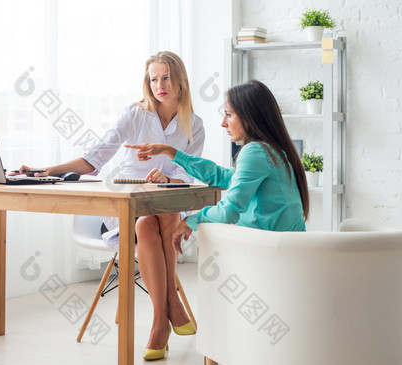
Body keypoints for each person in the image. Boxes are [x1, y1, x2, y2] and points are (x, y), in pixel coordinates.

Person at [13, 51, 205, 360]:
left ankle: (159, 323)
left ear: (179, 80)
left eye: (165, 77)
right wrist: (47, 171)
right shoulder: (135, 114)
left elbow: (190, 172)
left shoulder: (194, 125)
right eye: (153, 79)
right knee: (144, 220)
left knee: (154, 218)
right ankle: (170, 308)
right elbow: (97, 156)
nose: (159, 85)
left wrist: (169, 179)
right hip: (128, 200)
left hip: (167, 201)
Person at [126, 80, 309, 254]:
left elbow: (229, 211)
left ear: (250, 118)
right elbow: (221, 175)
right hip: (290, 251)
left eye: (228, 115)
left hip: (272, 252)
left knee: (205, 242)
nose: (223, 123)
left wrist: (191, 221)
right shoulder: (273, 151)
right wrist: (170, 151)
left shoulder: (255, 151)